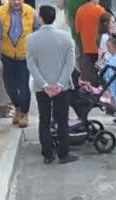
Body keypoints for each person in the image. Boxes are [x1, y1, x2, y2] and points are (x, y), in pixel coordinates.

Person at [27, 4, 79, 164]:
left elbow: (31, 65)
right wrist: (59, 84)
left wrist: (44, 85)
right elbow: (70, 64)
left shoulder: (31, 39)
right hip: (62, 88)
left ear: (40, 18)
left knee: (44, 120)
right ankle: (64, 154)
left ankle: (47, 154)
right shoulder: (65, 38)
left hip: (41, 88)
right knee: (62, 120)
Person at [0, 0, 43, 128]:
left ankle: (24, 113)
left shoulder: (31, 12)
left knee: (23, 86)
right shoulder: (0, 13)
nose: (16, 2)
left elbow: (39, 31)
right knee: (9, 86)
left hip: (24, 57)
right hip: (7, 56)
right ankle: (17, 107)